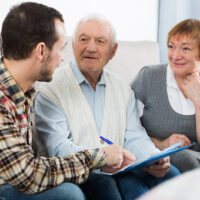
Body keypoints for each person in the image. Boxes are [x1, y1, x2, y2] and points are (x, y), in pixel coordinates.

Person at [34, 14, 180, 200]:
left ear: (113, 50)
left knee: (171, 174)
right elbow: (58, 148)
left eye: (100, 41)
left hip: (122, 168)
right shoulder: (51, 88)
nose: (91, 48)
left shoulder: (122, 87)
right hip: (78, 173)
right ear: (73, 45)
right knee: (110, 186)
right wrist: (102, 158)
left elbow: (133, 134)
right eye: (84, 39)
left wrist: (152, 157)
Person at [0, 3, 135, 200]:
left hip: (18, 179)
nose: (62, 59)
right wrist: (100, 156)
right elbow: (29, 176)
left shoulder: (24, 92)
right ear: (41, 51)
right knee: (68, 194)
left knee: (98, 181)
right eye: (61, 49)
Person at [131, 19, 200, 173]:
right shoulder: (149, 77)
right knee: (186, 159)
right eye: (171, 47)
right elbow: (124, 129)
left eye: (186, 49)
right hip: (160, 159)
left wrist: (198, 101)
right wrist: (161, 144)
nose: (175, 56)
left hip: (195, 163)